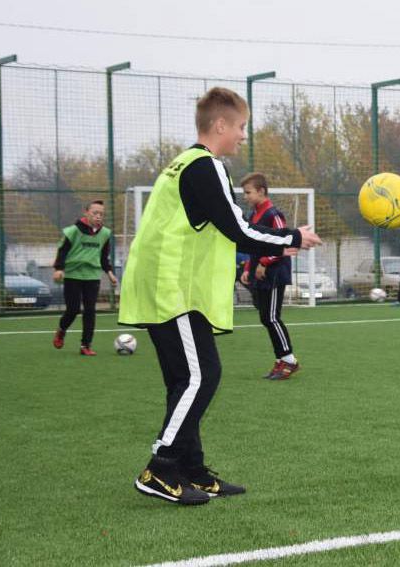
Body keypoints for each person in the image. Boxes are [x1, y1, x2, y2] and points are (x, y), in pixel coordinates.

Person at [118, 87, 321, 505]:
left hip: (169, 286)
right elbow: (237, 229)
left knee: (186, 378)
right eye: (242, 127)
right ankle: (160, 468)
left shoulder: (187, 165)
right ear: (221, 125)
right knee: (200, 376)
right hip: (171, 288)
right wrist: (292, 235)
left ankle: (191, 470)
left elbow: (233, 222)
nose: (244, 135)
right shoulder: (203, 165)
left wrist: (279, 245)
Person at [238, 173, 299, 380]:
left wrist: (265, 262)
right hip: (260, 275)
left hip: (274, 274)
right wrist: (248, 267)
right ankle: (280, 359)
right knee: (266, 317)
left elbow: (284, 243)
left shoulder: (274, 214)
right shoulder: (254, 215)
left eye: (248, 192)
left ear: (261, 191)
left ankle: (289, 360)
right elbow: (252, 245)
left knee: (271, 317)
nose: (245, 196)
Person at [52, 200, 118, 356]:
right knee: (73, 309)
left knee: (90, 311)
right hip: (73, 274)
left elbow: (103, 257)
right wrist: (59, 269)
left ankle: (85, 345)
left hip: (92, 275)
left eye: (101, 214)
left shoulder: (105, 234)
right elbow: (62, 251)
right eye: (95, 213)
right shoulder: (72, 231)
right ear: (86, 212)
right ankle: (61, 330)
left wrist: (109, 273)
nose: (98, 216)